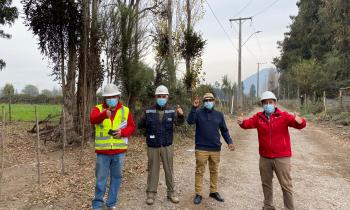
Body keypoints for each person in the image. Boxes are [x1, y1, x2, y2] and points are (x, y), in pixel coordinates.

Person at [237, 91, 306, 210]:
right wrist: (242, 122)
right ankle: (268, 206)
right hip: (265, 157)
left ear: (275, 104)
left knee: (286, 185)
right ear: (262, 105)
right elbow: (247, 124)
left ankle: (289, 208)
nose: (268, 104)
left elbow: (299, 124)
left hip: (282, 157)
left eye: (270, 102)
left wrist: (300, 121)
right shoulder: (258, 117)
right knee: (266, 183)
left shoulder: (283, 116)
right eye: (265, 103)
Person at [90, 84, 136, 210]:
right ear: (104, 98)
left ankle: (111, 203)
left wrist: (123, 133)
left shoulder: (125, 110)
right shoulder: (98, 109)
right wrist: (105, 114)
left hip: (119, 151)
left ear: (118, 96)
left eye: (113, 96)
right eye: (108, 97)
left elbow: (131, 127)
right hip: (103, 152)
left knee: (116, 178)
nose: (111, 98)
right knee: (101, 179)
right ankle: (97, 204)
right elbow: (93, 119)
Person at [138, 85, 185, 205]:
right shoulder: (148, 111)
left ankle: (171, 193)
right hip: (153, 146)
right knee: (153, 170)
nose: (161, 98)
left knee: (169, 170)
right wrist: (147, 135)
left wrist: (180, 115)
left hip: (167, 145)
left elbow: (179, 124)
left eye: (164, 96)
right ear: (155, 97)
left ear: (167, 97)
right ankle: (151, 194)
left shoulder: (171, 110)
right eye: (159, 96)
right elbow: (140, 125)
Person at [187, 92, 235, 205]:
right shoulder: (198, 113)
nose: (208, 102)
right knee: (199, 171)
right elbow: (190, 121)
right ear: (203, 102)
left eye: (210, 100)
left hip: (215, 148)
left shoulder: (219, 115)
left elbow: (224, 130)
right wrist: (194, 107)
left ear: (214, 101)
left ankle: (213, 191)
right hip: (201, 148)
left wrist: (229, 142)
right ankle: (198, 193)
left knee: (214, 171)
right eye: (206, 100)